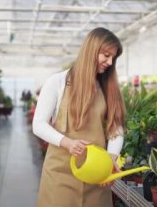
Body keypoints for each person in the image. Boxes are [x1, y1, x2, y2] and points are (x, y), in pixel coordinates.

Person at [32, 27, 125, 207]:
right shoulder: (57, 82)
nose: (109, 62)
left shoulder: (108, 87)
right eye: (106, 55)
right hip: (60, 174)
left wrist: (111, 159)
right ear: (91, 49)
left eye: (113, 58)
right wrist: (67, 142)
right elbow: (38, 124)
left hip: (96, 176)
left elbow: (116, 127)